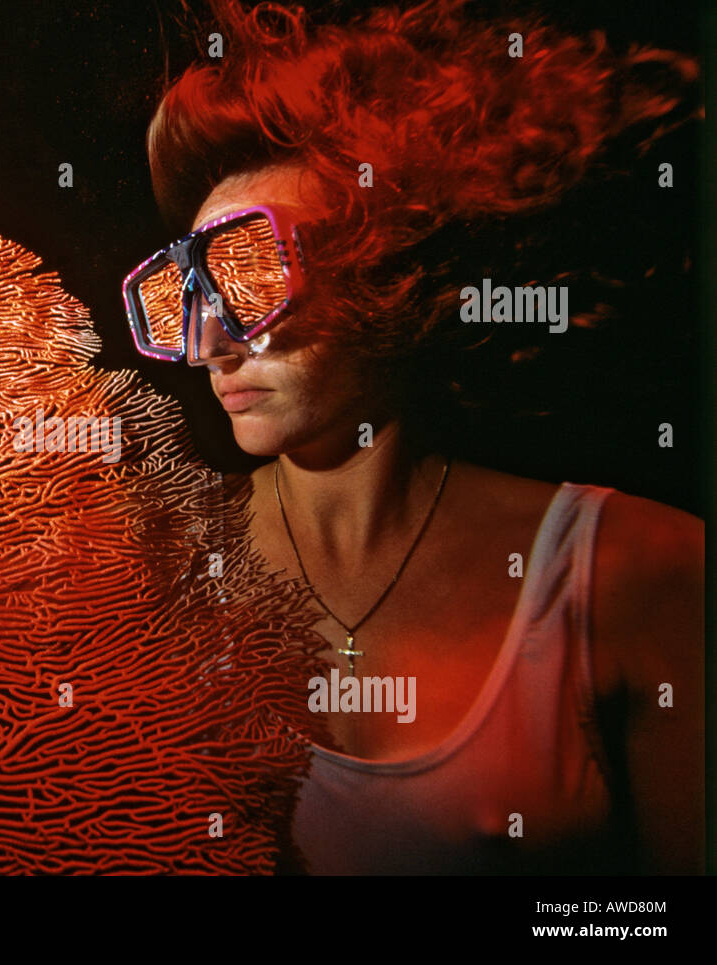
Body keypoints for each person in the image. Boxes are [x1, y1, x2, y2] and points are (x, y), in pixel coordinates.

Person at [123, 0, 703, 873]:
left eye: (252, 272)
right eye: (185, 293)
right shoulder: (147, 574)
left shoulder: (634, 571)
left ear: (389, 272)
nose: (207, 341)